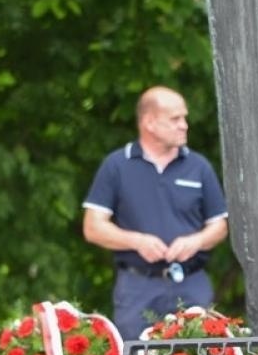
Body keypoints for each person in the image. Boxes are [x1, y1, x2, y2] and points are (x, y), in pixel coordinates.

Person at [83, 86, 229, 339]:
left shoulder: (198, 166)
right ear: (149, 122)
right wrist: (136, 241)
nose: (184, 125)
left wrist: (196, 241)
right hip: (137, 287)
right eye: (175, 119)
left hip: (191, 283)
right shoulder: (117, 165)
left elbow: (220, 226)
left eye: (184, 117)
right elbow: (93, 227)